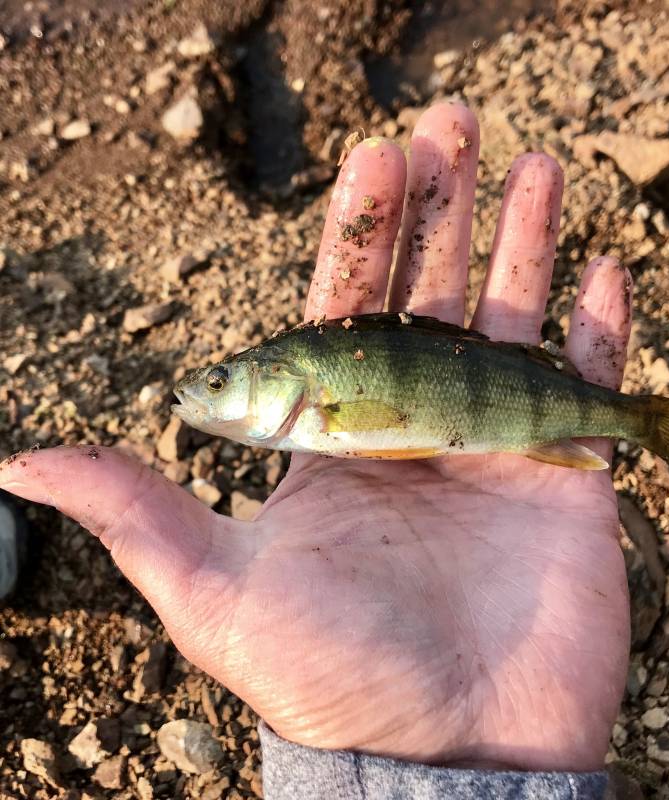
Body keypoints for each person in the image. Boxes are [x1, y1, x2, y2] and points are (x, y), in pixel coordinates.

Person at [0, 101, 632, 798]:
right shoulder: (313, 405)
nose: (204, 394)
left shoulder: (318, 401)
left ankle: (639, 420)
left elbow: (387, 418)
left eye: (222, 381)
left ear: (279, 377)